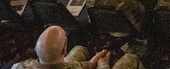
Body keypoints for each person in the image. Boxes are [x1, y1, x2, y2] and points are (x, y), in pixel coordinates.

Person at [13, 25, 141, 69]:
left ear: (36, 49)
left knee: (79, 50)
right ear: (64, 50)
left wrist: (91, 64)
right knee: (131, 58)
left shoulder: (19, 66)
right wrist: (103, 64)